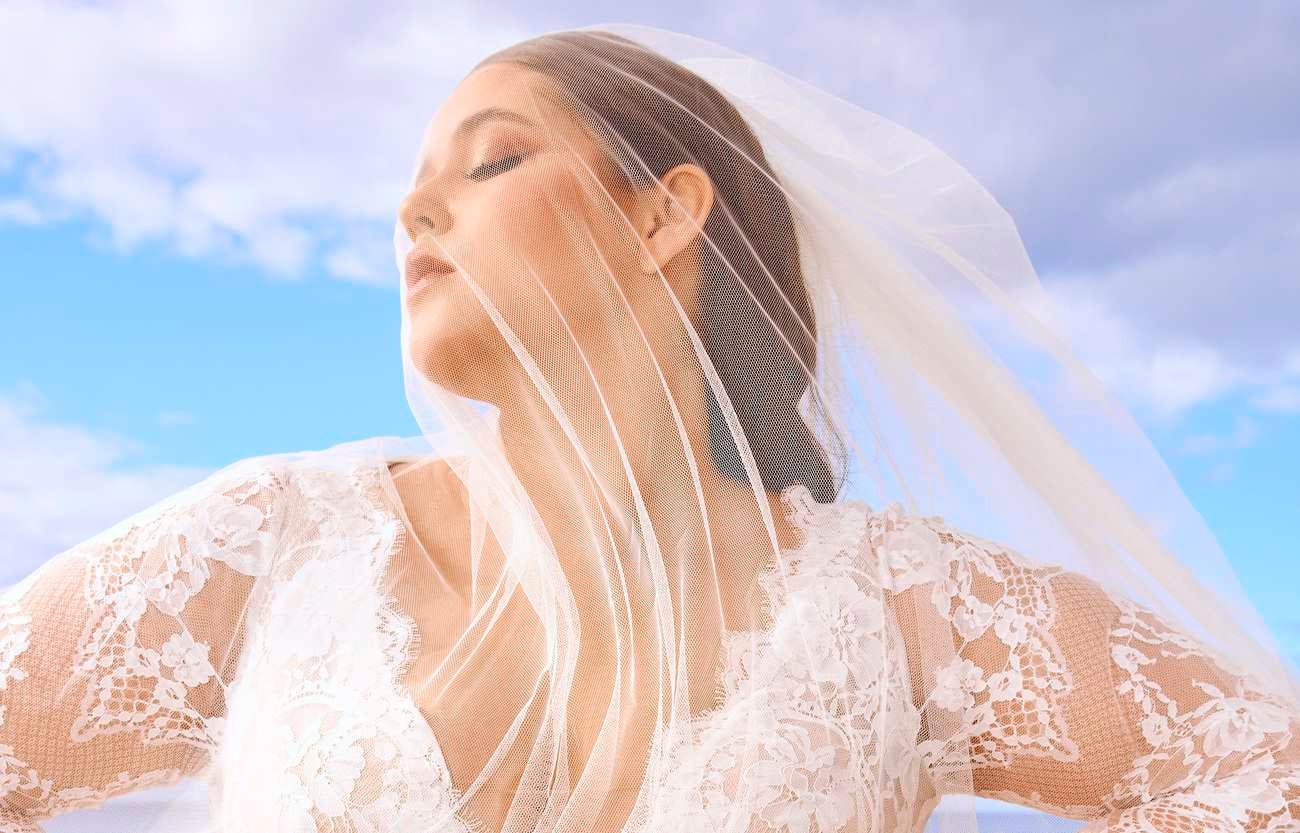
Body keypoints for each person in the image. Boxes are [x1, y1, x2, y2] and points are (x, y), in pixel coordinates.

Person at [2, 23, 1298, 833]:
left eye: (492, 159)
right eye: (412, 181)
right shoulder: (270, 548)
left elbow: (1264, 770)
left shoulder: (897, 610)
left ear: (664, 215)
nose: (415, 212)